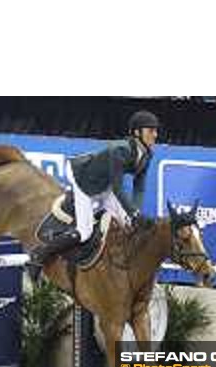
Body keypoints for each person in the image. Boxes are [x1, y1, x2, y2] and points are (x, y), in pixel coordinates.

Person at [28, 110, 160, 282]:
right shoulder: (120, 151)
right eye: (151, 131)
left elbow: (139, 188)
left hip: (104, 182)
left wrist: (135, 212)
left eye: (156, 131)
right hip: (83, 178)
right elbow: (118, 188)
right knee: (84, 231)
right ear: (137, 133)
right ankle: (39, 255)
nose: (155, 135)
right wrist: (134, 213)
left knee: (127, 223)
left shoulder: (147, 155)